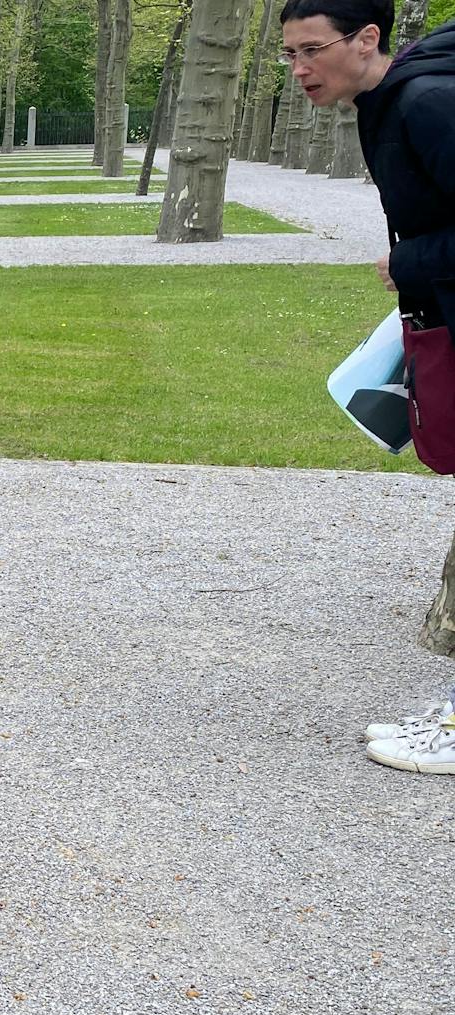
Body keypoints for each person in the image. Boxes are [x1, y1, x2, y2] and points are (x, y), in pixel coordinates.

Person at [280, 0, 455, 774]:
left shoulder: (424, 102)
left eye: (311, 50)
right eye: (287, 56)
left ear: (367, 38)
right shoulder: (385, 103)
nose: (299, 70)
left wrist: (408, 265)